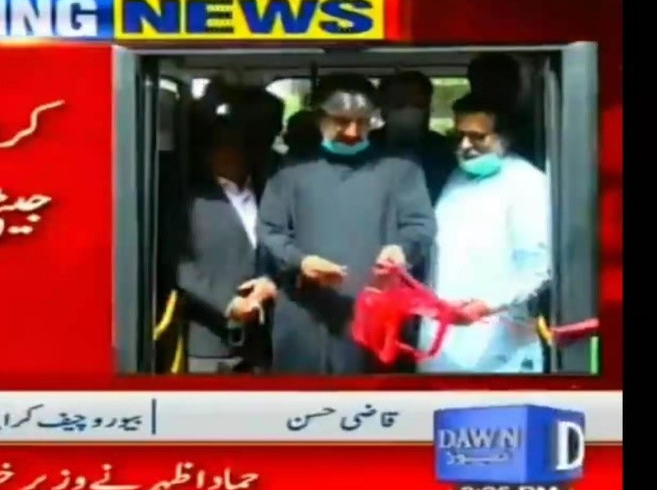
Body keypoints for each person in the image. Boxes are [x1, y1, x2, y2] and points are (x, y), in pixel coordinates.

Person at [246, 74, 436, 374]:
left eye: (362, 122)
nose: (353, 132)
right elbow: (269, 230)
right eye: (341, 121)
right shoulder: (292, 169)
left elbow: (420, 225)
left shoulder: (400, 168)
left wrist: (402, 249)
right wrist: (300, 261)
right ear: (319, 118)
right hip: (304, 316)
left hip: (375, 314)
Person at [417, 95, 550, 373]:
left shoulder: (526, 183)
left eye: (477, 137)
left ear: (505, 137)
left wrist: (486, 305)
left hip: (499, 342)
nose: (465, 146)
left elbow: (537, 268)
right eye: (459, 136)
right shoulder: (458, 178)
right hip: (443, 339)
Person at [177, 118, 276, 373]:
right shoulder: (191, 200)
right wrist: (229, 304)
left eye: (241, 145)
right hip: (211, 345)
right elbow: (180, 267)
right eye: (223, 146)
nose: (233, 153)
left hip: (265, 344)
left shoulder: (271, 194)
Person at [374, 71, 453, 203]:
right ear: (383, 109)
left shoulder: (444, 151)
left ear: (429, 108)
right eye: (399, 106)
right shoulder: (364, 148)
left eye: (418, 106)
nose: (409, 113)